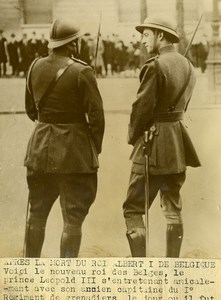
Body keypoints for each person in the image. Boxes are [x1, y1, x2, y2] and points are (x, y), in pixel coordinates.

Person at [24, 18, 105, 258]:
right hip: (75, 154)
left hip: (39, 150)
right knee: (72, 220)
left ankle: (30, 270)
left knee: (36, 213)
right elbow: (97, 118)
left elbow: (31, 110)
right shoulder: (83, 71)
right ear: (74, 44)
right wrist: (93, 148)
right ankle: (65, 275)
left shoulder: (34, 67)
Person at [123, 15, 201, 258]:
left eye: (146, 35)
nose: (143, 41)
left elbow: (141, 109)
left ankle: (141, 271)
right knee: (172, 205)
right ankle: (172, 267)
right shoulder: (188, 66)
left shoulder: (154, 66)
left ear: (161, 36)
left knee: (134, 208)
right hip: (178, 144)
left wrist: (132, 137)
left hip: (152, 146)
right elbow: (183, 106)